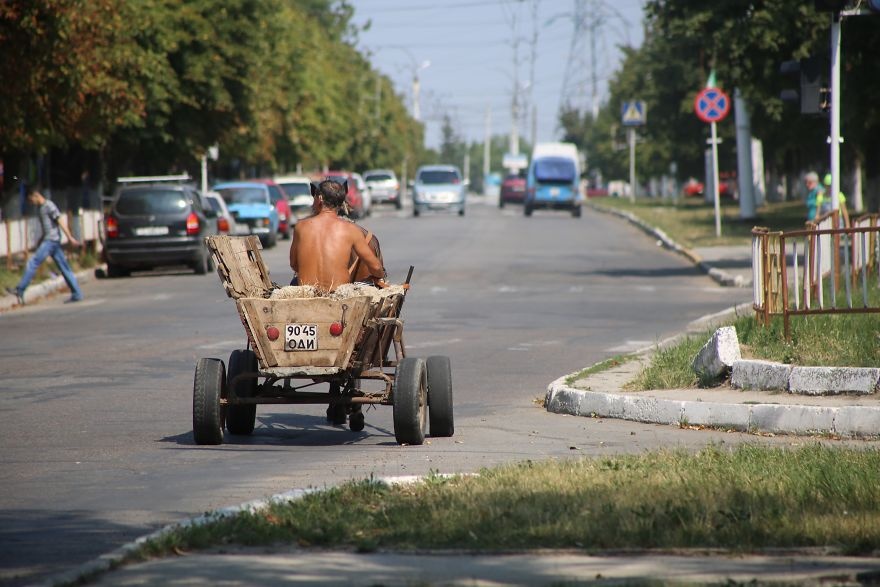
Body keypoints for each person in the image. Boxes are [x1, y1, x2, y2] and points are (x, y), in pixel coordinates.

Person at [289, 179, 385, 292]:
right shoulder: (351, 230)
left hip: (306, 295)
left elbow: (294, 264)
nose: (313, 203)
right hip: (339, 297)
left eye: (314, 198)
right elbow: (376, 267)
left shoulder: (300, 227)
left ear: (320, 198)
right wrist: (379, 275)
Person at [6, 187, 84, 305]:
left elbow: (60, 221)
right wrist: (40, 240)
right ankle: (77, 293)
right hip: (51, 241)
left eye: (31, 200)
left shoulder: (49, 206)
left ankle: (20, 289)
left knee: (33, 262)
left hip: (51, 241)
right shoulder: (41, 208)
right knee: (64, 267)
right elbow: (47, 226)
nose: (31, 203)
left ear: (35, 195)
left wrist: (70, 238)